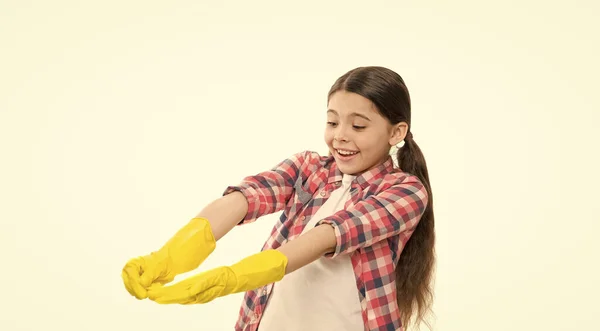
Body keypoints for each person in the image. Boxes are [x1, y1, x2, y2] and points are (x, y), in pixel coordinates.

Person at [121, 66, 436, 331]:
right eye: (332, 121)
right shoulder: (308, 167)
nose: (340, 135)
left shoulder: (405, 192)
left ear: (396, 133)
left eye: (358, 125)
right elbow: (247, 197)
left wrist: (235, 276)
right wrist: (172, 254)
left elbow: (331, 234)